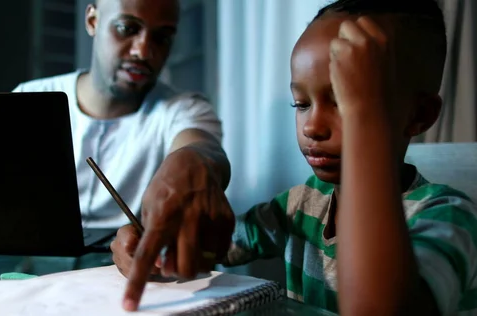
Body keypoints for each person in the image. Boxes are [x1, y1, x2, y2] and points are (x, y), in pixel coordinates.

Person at [112, 0, 477, 315]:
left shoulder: (449, 217)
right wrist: (155, 248)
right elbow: (212, 244)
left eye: (346, 103)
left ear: (419, 115)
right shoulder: (302, 203)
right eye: (301, 104)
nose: (312, 126)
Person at [12, 0, 234, 274]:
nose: (144, 51)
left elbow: (201, 146)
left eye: (162, 37)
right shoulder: (28, 99)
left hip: (131, 270)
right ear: (93, 21)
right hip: (29, 266)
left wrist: (195, 161)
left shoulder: (186, 109)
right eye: (127, 28)